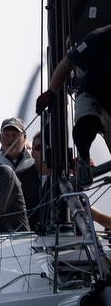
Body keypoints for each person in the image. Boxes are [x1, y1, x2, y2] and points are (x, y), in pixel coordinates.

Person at [36, 23, 111, 187]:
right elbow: (69, 61)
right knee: (85, 125)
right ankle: (83, 158)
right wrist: (51, 92)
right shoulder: (99, 37)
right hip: (92, 95)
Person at [0, 117, 40, 222]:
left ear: (24, 137)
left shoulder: (36, 158)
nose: (10, 139)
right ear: (0, 138)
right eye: (7, 135)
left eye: (15, 135)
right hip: (5, 222)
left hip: (35, 218)